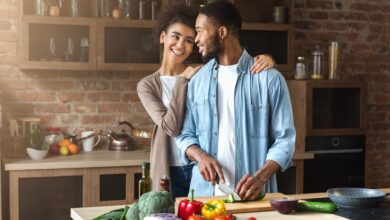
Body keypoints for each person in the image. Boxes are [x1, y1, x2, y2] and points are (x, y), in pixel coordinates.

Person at [137, 4, 276, 199]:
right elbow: (171, 126)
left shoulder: (201, 74)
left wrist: (267, 59)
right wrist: (181, 80)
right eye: (175, 37)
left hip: (198, 170)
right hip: (170, 169)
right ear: (163, 37)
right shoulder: (148, 85)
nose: (180, 45)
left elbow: (231, 64)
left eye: (188, 40)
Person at [176, 0, 296, 200]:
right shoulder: (197, 81)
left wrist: (260, 178)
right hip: (205, 198)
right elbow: (185, 135)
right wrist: (201, 156)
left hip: (254, 198)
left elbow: (285, 140)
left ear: (222, 32)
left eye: (200, 31)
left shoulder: (269, 79)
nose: (196, 39)